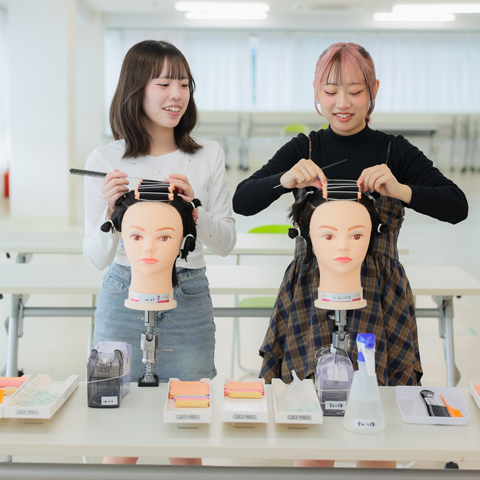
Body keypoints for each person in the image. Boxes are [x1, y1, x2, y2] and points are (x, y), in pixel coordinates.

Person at [232, 42, 468, 469]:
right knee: (311, 424)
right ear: (316, 92)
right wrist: (284, 179)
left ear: (374, 90)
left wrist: (401, 189)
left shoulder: (394, 151)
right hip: (310, 294)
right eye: (331, 91)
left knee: (377, 428)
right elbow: (242, 200)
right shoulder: (305, 147)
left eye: (356, 91)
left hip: (380, 295)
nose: (343, 103)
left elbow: (457, 205)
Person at [83, 40, 236, 466]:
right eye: (164, 83)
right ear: (136, 88)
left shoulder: (207, 155)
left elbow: (225, 242)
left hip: (188, 296)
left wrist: (194, 211)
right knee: (117, 434)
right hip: (122, 293)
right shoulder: (105, 159)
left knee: (186, 433)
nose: (177, 95)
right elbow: (95, 258)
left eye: (184, 84)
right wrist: (111, 214)